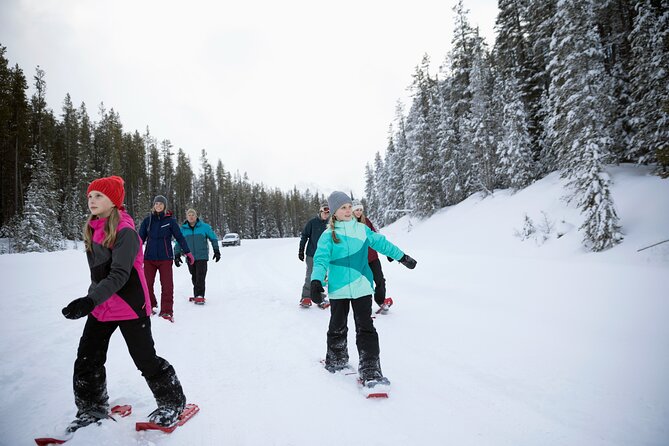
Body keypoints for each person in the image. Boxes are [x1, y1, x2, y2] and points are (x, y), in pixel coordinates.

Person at [61, 175, 187, 430]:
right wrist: (93, 299)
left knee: (145, 359)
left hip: (129, 305)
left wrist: (89, 300)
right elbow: (98, 273)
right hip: (102, 305)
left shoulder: (126, 231)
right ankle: (91, 408)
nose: (92, 201)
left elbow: (119, 274)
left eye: (99, 196)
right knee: (87, 359)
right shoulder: (93, 228)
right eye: (90, 196)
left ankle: (172, 403)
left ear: (114, 201)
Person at [310, 191, 417, 388]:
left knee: (366, 328)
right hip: (339, 289)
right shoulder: (328, 236)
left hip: (362, 287)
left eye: (350, 206)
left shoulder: (362, 230)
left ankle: (370, 369)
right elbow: (321, 259)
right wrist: (316, 280)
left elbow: (382, 243)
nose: (348, 210)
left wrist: (402, 257)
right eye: (343, 207)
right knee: (337, 326)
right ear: (334, 212)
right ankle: (336, 358)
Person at [138, 195, 194, 322]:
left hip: (165, 258)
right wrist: (135, 254)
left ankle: (167, 311)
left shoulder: (170, 221)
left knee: (167, 286)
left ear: (164, 206)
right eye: (156, 203)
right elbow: (140, 239)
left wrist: (187, 252)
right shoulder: (148, 221)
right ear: (153, 205)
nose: (158, 206)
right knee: (146, 284)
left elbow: (179, 237)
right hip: (149, 259)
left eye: (161, 204)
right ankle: (150, 305)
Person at [352, 200, 393, 313]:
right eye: (356, 210)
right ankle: (363, 306)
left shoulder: (367, 222)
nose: (359, 212)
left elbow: (376, 239)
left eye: (360, 210)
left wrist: (388, 253)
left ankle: (380, 301)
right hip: (360, 261)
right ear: (352, 211)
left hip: (373, 258)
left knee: (380, 280)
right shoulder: (349, 224)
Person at [174, 209, 220, 305]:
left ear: (196, 216)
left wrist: (216, 251)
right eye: (189, 215)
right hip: (190, 256)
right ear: (186, 217)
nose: (191, 217)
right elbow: (178, 242)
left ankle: (200, 295)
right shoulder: (183, 229)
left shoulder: (204, 227)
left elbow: (213, 238)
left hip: (202, 256)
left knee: (201, 275)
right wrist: (177, 255)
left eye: (193, 215)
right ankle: (197, 295)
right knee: (194, 275)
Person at [298, 201, 330, 308]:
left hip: (325, 255)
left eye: (328, 212)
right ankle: (306, 297)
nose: (326, 214)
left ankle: (320, 298)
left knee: (323, 278)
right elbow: (304, 236)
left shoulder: (330, 224)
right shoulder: (312, 222)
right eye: (324, 212)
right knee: (310, 275)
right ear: (320, 212)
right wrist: (301, 250)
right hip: (312, 254)